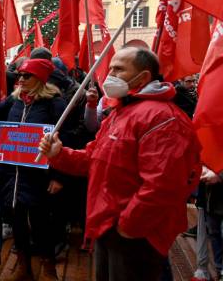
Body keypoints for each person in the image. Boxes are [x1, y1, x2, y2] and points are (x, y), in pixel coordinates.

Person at [39, 47, 202, 281]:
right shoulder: (121, 112)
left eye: (119, 69)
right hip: (109, 225)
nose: (110, 75)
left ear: (144, 77)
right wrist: (60, 154)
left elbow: (162, 185)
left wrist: (128, 225)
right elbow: (93, 157)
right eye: (111, 68)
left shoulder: (163, 118)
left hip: (134, 233)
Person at [0, 58, 68, 281]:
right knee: (17, 221)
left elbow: (65, 142)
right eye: (19, 75)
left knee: (40, 224)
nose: (20, 79)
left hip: (39, 175)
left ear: (39, 78)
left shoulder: (54, 104)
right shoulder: (14, 101)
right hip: (12, 175)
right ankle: (24, 266)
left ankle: (48, 268)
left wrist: (58, 176)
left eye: (26, 76)